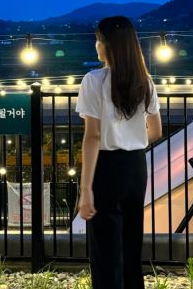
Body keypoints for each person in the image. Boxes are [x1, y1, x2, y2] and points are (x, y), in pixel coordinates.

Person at [75, 16, 162, 289]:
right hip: (136, 167)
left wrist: (85, 189)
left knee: (105, 250)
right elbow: (156, 131)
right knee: (131, 245)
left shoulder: (94, 81)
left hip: (107, 168)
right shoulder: (145, 81)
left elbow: (92, 136)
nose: (96, 45)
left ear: (109, 45)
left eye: (98, 40)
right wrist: (130, 139)